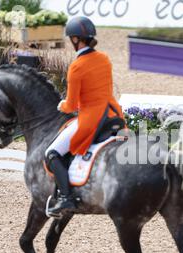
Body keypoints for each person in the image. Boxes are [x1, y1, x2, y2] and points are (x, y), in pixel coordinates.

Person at [45, 16, 125, 215]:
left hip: (91, 120)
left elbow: (71, 105)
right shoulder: (104, 59)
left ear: (75, 39)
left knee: (52, 154)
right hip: (113, 116)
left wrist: (61, 105)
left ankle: (66, 198)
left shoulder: (77, 67)